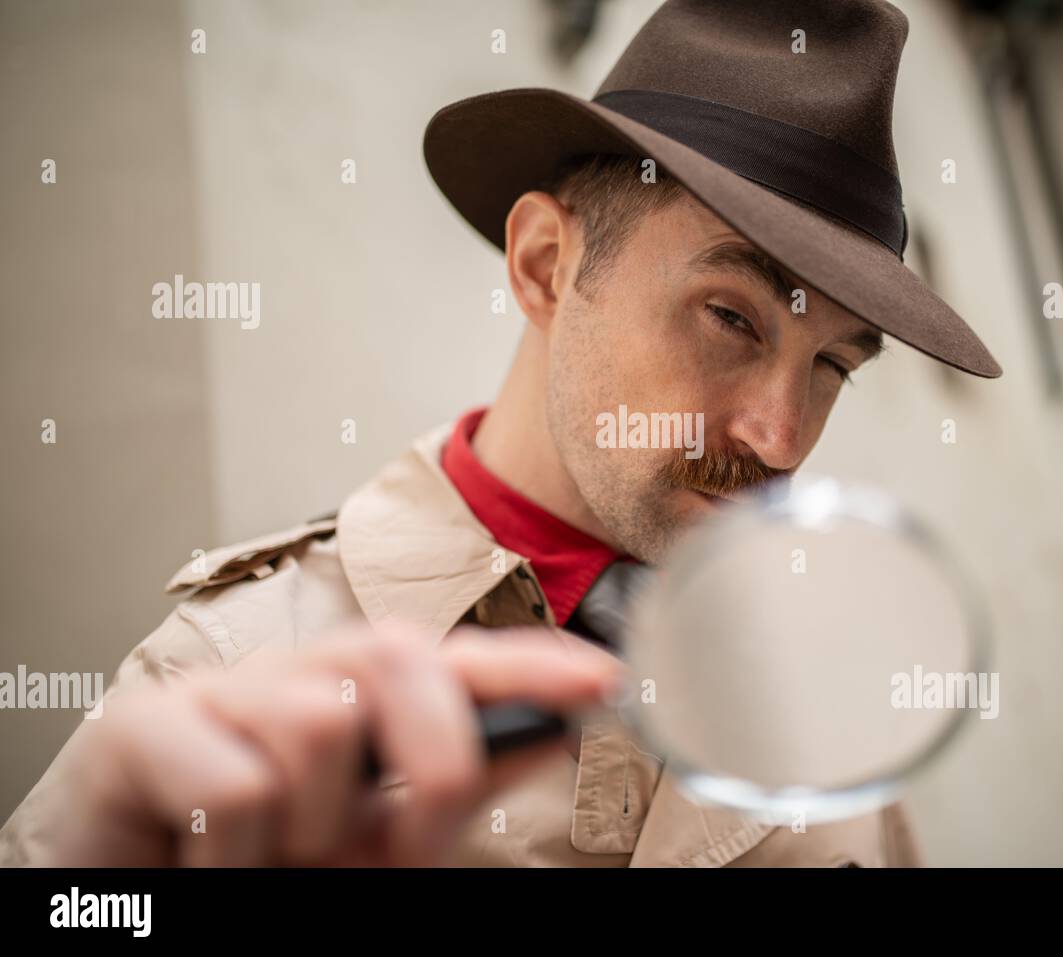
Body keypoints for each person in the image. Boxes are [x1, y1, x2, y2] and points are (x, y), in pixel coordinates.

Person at [0, 0, 999, 867]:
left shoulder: (822, 711)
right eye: (731, 318)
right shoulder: (235, 672)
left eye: (832, 366)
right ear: (544, 264)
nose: (780, 438)